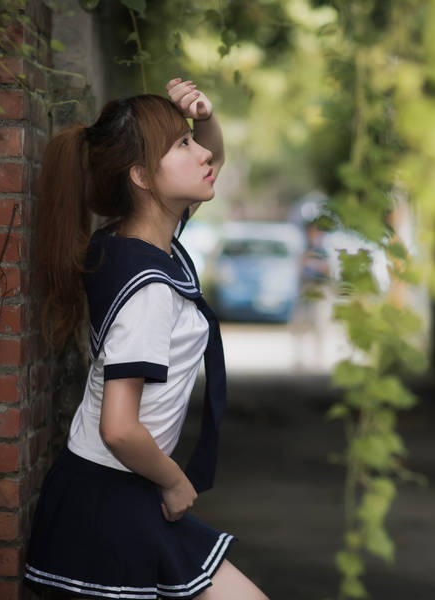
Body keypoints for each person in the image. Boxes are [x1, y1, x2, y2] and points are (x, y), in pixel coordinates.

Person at [24, 78, 267, 600]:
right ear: (140, 176)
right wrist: (175, 481)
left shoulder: (132, 241)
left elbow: (214, 160)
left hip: (119, 488)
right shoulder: (150, 289)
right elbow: (118, 427)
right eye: (182, 145)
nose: (202, 153)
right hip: (111, 498)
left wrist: (203, 118)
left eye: (192, 140)